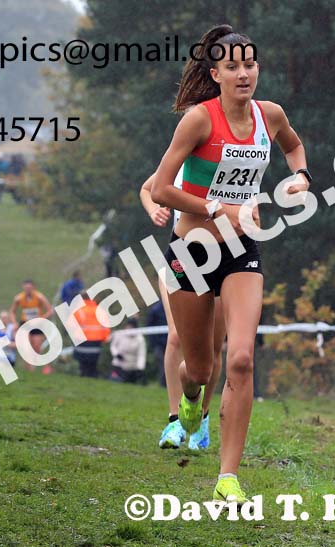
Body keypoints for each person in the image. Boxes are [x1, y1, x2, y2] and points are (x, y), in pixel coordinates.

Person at [149, 25, 310, 502]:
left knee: (240, 358)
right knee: (199, 369)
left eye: (250, 65)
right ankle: (189, 401)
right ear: (215, 73)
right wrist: (219, 208)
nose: (244, 74)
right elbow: (162, 189)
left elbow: (293, 147)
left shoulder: (270, 116)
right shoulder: (199, 121)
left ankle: (227, 478)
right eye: (233, 67)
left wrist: (301, 176)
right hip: (192, 251)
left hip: (242, 251)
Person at [140, 170, 226, 451]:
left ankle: (201, 418)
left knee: (213, 346)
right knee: (177, 336)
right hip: (180, 262)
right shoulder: (181, 159)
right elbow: (147, 189)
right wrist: (153, 210)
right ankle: (175, 420)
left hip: (222, 262)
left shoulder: (231, 159)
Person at [10, 279, 53, 370]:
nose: (28, 290)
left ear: (33, 287)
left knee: (37, 347)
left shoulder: (39, 297)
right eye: (26, 288)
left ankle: (37, 366)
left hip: (37, 325)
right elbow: (12, 312)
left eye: (30, 288)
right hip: (25, 323)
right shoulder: (19, 298)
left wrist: (42, 318)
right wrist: (14, 323)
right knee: (26, 347)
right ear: (23, 288)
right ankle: (29, 369)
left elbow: (50, 310)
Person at [71, 292, 111, 377]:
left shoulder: (78, 311)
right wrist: (104, 339)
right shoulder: (100, 311)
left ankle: (84, 377)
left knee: (83, 365)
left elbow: (71, 326)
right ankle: (93, 376)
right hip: (96, 342)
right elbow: (106, 327)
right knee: (93, 364)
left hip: (82, 341)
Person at [109, 317, 147, 383]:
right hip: (118, 365)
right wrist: (116, 354)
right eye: (128, 326)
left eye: (132, 327)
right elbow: (113, 346)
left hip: (132, 367)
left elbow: (141, 354)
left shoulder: (140, 339)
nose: (129, 328)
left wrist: (140, 368)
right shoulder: (119, 334)